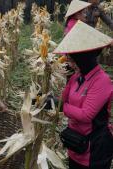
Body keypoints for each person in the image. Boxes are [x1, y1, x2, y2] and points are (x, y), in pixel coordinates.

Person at [54, 21, 113, 169]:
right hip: (75, 143)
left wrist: (61, 107)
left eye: (73, 59)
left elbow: (86, 114)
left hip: (94, 149)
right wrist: (66, 76)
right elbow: (64, 99)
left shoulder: (102, 81)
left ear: (84, 58)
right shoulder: (77, 76)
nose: (70, 62)